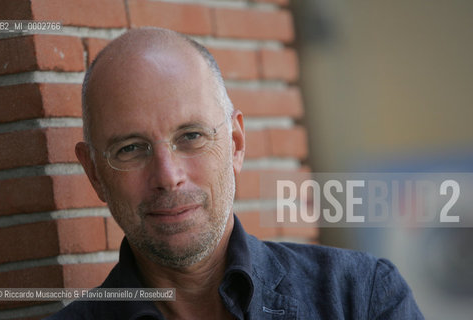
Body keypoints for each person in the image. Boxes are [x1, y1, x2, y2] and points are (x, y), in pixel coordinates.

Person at [46, 27, 424, 319]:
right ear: (94, 173)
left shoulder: (360, 298)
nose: (168, 175)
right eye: (130, 148)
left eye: (191, 136)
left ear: (237, 144)